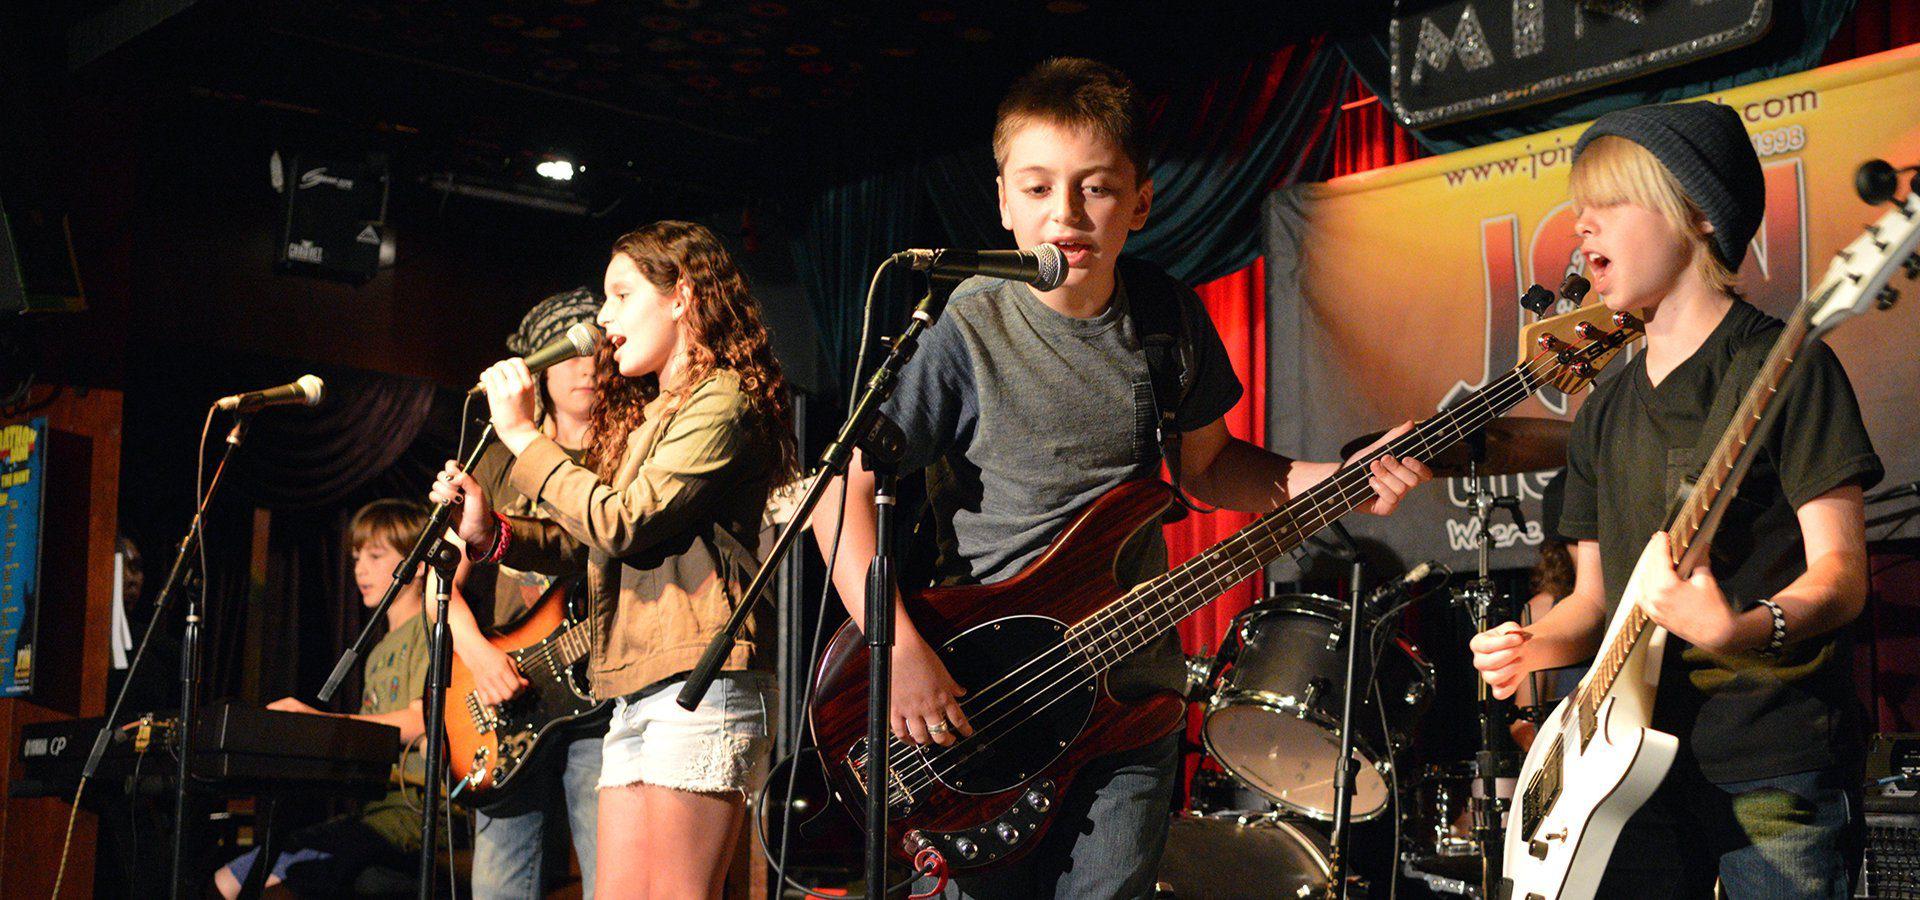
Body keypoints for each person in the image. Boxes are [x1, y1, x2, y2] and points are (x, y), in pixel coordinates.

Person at [811, 57, 1431, 898]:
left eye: (1095, 189)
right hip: (986, 697)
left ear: (1140, 201)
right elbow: (836, 494)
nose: (1064, 214)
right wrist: (902, 653)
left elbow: (1213, 470)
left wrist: (1344, 475)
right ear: (1002, 200)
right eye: (1037, 189)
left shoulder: (1170, 316)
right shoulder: (966, 323)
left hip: (1130, 690)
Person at [1469, 102, 1882, 897]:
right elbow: (1594, 602)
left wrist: (1746, 627)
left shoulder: (1786, 366)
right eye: (1577, 211)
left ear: (1697, 212)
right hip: (1626, 772)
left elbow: (1843, 575)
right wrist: (1533, 645)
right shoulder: (1601, 411)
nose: (1579, 231)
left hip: (1771, 763)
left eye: (1609, 206)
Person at [431, 220, 797, 899]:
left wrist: (518, 435)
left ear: (682, 298)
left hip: (700, 679)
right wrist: (492, 535)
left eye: (620, 295)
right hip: (633, 687)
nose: (604, 319)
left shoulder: (724, 398)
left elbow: (624, 522)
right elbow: (589, 541)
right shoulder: (656, 413)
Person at [440, 288, 605, 899]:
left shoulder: (629, 452)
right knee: (499, 884)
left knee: (610, 876)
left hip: (603, 698)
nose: (587, 366)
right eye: (565, 353)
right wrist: (481, 658)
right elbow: (442, 579)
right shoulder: (496, 461)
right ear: (532, 372)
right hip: (505, 702)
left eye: (595, 348)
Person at [213, 499, 433, 898]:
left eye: (375, 555)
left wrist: (320, 724)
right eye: (355, 557)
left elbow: (423, 722)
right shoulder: (380, 650)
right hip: (375, 812)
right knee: (232, 880)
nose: (359, 569)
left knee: (262, 880)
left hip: (413, 815)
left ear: (418, 566)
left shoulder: (429, 631)